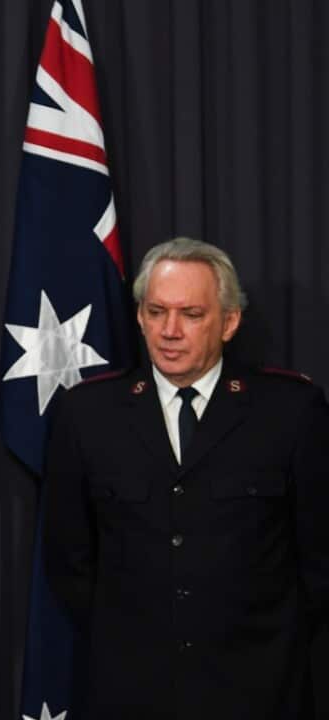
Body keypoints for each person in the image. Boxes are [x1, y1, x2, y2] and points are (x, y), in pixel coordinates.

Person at [44, 238, 329, 718]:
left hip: (259, 689)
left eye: (191, 314)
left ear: (230, 321)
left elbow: (319, 558)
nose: (169, 331)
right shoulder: (86, 413)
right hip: (129, 690)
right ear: (138, 316)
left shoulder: (291, 411)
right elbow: (69, 557)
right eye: (156, 312)